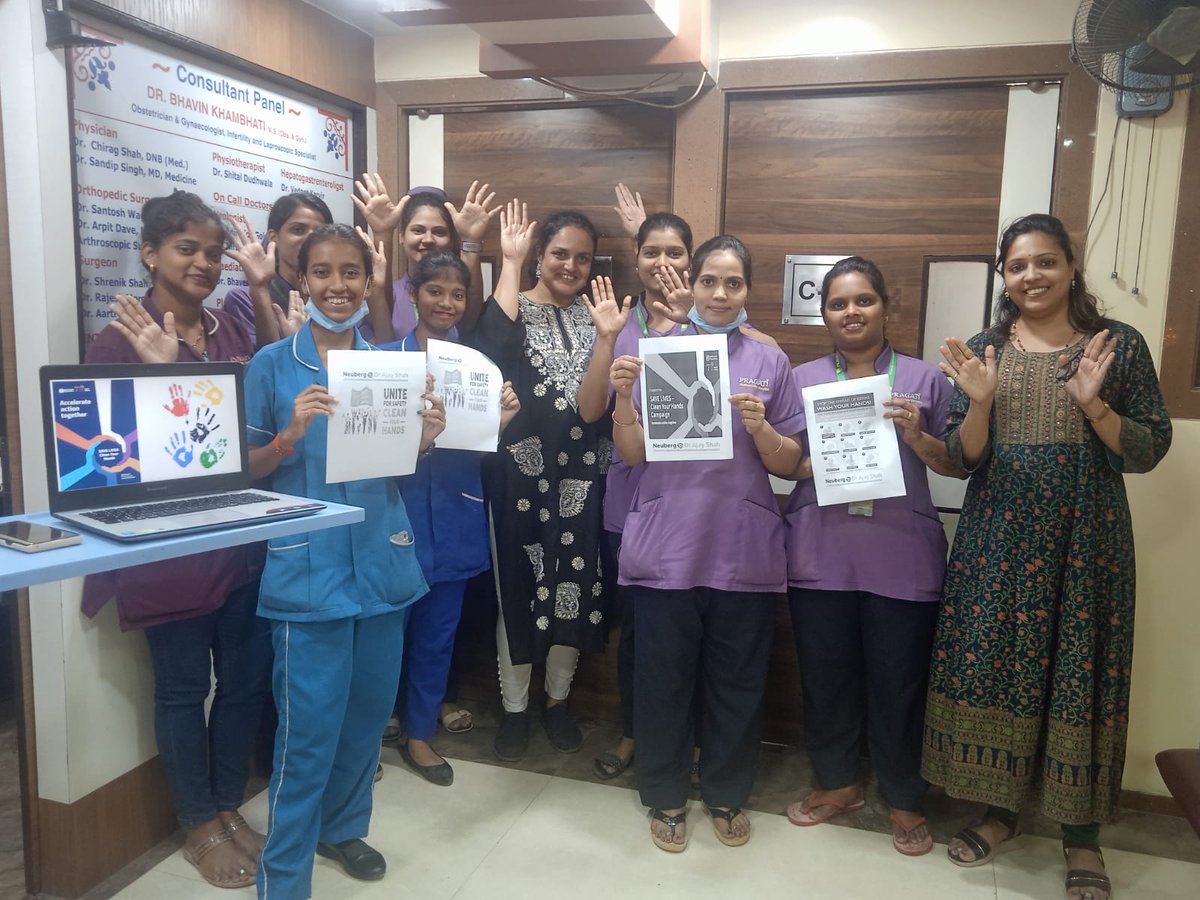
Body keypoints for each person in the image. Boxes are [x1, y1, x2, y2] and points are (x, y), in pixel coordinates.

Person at [921, 214, 1171, 900]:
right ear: (1005, 276)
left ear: (1070, 268)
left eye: (1045, 262)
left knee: (1077, 681)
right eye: (1017, 265)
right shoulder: (984, 349)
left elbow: (1149, 449)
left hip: (1087, 549)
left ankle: (1082, 839)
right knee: (1000, 672)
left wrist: (1094, 408)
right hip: (997, 545)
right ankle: (1001, 813)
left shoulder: (1117, 347)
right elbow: (963, 459)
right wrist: (980, 401)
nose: (1031, 275)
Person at [244, 223, 438, 898]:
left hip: (383, 564)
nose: (336, 286)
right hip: (309, 574)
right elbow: (241, 471)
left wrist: (426, 439)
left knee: (363, 721)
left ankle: (345, 827)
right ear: (299, 279)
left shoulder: (389, 363)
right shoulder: (271, 365)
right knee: (307, 738)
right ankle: (284, 877)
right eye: (321, 272)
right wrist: (288, 436)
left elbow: (397, 463)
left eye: (350, 272)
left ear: (368, 280)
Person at [83, 190, 270, 890]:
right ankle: (197, 823)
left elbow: (244, 438)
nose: (203, 262)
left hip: (241, 542)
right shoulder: (118, 340)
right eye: (187, 248)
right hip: (170, 551)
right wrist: (166, 376)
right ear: (150, 252)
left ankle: (226, 804)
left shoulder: (229, 332)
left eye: (213, 251)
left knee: (246, 684)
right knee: (184, 688)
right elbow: (112, 463)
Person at [608, 235, 805, 852]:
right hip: (667, 541)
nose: (720, 295)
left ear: (749, 290)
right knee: (663, 679)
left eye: (734, 283)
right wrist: (620, 396)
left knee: (736, 678)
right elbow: (632, 453)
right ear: (690, 286)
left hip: (739, 544)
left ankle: (725, 790)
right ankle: (665, 794)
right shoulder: (655, 353)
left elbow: (795, 464)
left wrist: (761, 428)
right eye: (709, 282)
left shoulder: (770, 361)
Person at [781, 256, 961, 856]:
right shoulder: (802, 379)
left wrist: (917, 435)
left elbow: (957, 463)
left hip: (900, 558)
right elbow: (783, 460)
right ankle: (838, 785)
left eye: (864, 300)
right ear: (824, 313)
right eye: (838, 303)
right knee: (827, 681)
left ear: (887, 306)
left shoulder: (924, 379)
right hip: (820, 551)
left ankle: (905, 797)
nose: (851, 312)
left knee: (900, 684)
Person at [473, 201, 621, 761]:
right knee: (519, 585)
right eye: (560, 253)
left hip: (586, 474)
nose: (571, 266)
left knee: (574, 588)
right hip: (519, 475)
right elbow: (489, 352)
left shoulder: (599, 318)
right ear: (541, 255)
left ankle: (557, 702)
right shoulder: (512, 311)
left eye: (583, 258)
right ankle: (514, 710)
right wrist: (509, 263)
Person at [377, 250, 521, 786]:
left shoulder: (477, 368)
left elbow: (479, 448)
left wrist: (500, 424)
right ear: (412, 293)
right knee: (387, 636)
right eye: (434, 290)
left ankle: (418, 735)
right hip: (396, 516)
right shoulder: (383, 362)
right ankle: (369, 737)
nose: (445, 302)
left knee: (438, 635)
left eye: (457, 293)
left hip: (456, 517)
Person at [581, 199, 696, 781]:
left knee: (692, 630)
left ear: (692, 260)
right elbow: (589, 407)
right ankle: (633, 734)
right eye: (650, 251)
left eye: (675, 252)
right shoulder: (617, 322)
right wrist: (606, 341)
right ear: (636, 259)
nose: (662, 261)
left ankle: (689, 741)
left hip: (697, 505)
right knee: (637, 632)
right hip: (630, 503)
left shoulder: (712, 319)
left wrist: (689, 322)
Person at [353, 175, 499, 343]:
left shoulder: (455, 300)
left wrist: (470, 240)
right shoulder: (388, 294)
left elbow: (469, 323)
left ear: (451, 240)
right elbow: (382, 332)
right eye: (418, 230)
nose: (428, 240)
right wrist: (383, 233)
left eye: (439, 232)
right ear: (401, 236)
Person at [223, 192, 333, 346]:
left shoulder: (334, 297)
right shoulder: (243, 300)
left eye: (320, 233)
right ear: (274, 237)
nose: (310, 239)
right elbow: (259, 366)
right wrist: (260, 290)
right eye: (298, 230)